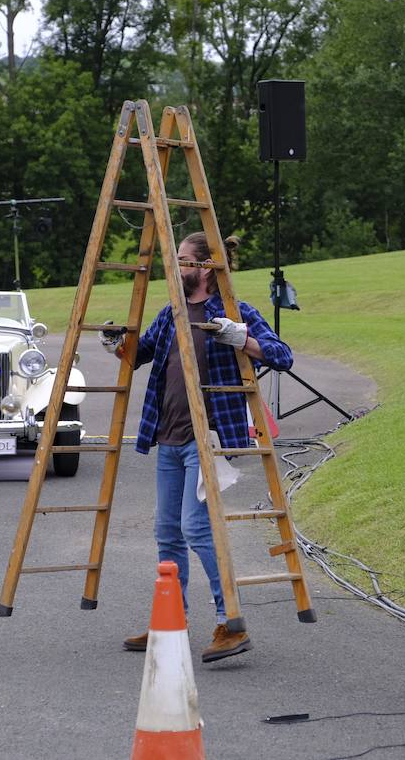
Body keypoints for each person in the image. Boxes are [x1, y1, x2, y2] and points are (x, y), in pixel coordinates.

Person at [101, 231, 292, 663]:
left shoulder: (234, 312)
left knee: (195, 527)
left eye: (185, 260)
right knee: (166, 532)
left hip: (206, 440)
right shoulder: (171, 313)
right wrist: (116, 343)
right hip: (167, 437)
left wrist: (238, 337)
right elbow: (139, 354)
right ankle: (170, 622)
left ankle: (231, 623)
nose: (178, 267)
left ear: (206, 267)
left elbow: (282, 355)